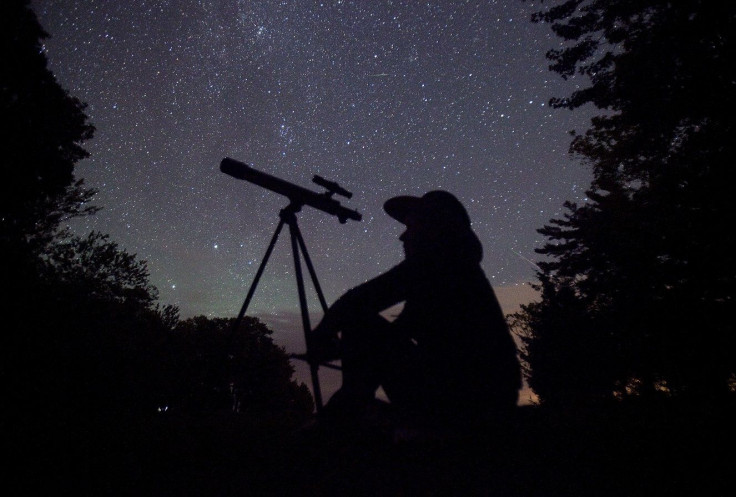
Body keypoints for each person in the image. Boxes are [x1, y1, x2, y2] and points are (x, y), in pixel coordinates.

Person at [310, 191, 521, 432]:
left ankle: (344, 416)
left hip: (471, 399)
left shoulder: (438, 263)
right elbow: (398, 333)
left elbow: (361, 300)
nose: (403, 236)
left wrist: (323, 335)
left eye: (412, 227)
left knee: (360, 325)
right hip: (481, 395)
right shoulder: (454, 269)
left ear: (434, 229)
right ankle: (352, 410)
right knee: (365, 331)